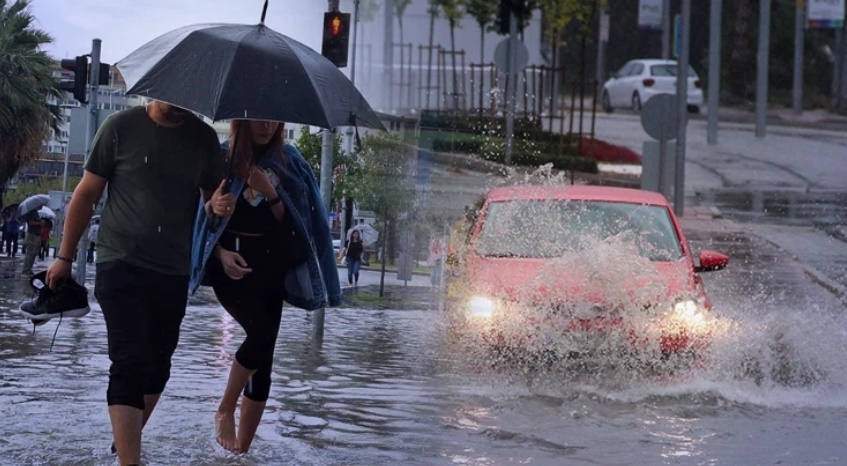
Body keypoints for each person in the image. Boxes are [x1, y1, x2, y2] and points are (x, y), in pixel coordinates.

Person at [46, 100, 233, 466]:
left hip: (174, 269)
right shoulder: (119, 128)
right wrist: (64, 257)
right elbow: (86, 194)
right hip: (121, 262)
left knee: (158, 366)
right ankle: (130, 461)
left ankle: (123, 443)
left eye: (186, 102)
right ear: (156, 89)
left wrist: (218, 208)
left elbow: (211, 201)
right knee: (129, 359)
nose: (180, 107)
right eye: (173, 100)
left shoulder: (204, 139)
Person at [189, 119, 340, 454]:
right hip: (231, 267)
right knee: (259, 335)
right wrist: (218, 242)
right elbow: (199, 218)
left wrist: (270, 192)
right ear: (242, 120)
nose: (267, 127)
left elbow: (297, 224)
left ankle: (241, 452)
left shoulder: (290, 160)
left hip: (271, 268)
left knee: (264, 357)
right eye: (259, 119)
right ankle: (225, 408)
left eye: (275, 120)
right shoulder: (221, 159)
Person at [21, 210, 43, 276]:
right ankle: (25, 270)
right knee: (30, 253)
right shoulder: (31, 212)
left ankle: (29, 269)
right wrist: (39, 223)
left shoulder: (35, 212)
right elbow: (30, 222)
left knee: (33, 253)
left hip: (36, 234)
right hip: (32, 235)